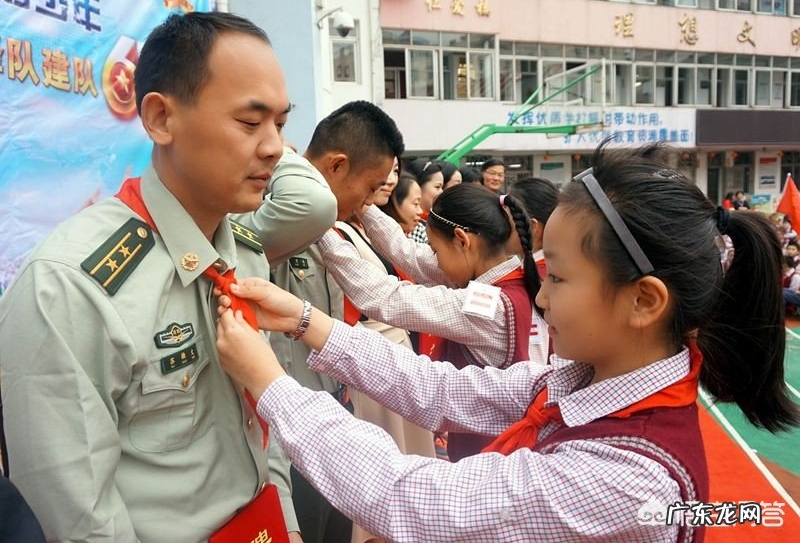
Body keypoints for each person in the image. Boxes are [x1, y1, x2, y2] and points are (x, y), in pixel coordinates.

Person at [213, 141, 798, 542]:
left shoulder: (626, 477)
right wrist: (305, 321)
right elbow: (442, 390)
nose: (542, 300)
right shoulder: (587, 383)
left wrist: (269, 382)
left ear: (644, 302)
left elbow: (408, 498)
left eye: (561, 280)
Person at [0, 12, 330, 541]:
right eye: (250, 122)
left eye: (281, 123)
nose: (274, 147)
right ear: (159, 119)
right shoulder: (68, 287)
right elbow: (79, 519)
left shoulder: (243, 256)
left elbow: (261, 436)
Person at [239, 100, 404, 543]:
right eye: (369, 187)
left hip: (336, 410)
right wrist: (285, 157)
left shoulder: (333, 228)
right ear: (337, 165)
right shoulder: (276, 213)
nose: (368, 203)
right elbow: (312, 202)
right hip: (292, 433)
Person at [316, 184, 543, 460]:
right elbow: (411, 256)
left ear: (462, 240)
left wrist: (318, 228)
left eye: (436, 250)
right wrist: (363, 205)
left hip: (489, 455)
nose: (434, 259)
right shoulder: (507, 277)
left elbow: (384, 297)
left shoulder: (488, 306)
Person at [335, 161, 436, 543]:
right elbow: (371, 297)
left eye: (394, 171)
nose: (389, 180)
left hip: (396, 349)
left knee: (408, 453)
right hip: (372, 354)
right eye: (380, 171)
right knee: (385, 457)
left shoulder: (371, 226)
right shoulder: (336, 229)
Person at [406, 160, 444, 243]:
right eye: (437, 187)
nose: (441, 192)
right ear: (417, 185)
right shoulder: (412, 227)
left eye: (442, 187)